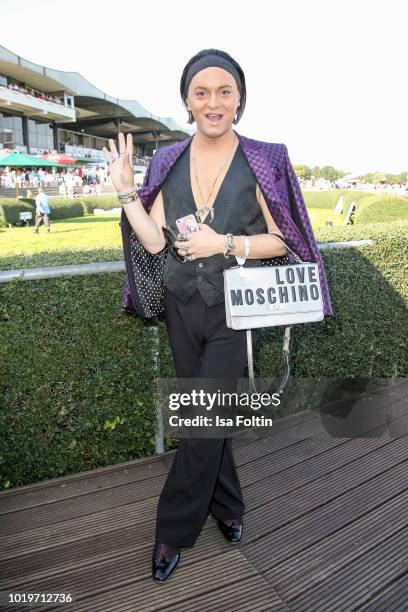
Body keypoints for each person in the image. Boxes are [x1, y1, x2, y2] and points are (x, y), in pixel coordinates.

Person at [103, 48, 333, 583]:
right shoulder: (167, 161)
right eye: (201, 92)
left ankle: (172, 529)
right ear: (187, 100)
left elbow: (282, 239)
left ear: (239, 98)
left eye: (224, 91)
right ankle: (228, 504)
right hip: (183, 308)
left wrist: (224, 242)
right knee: (212, 413)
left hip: (236, 310)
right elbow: (155, 239)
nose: (213, 101)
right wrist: (125, 194)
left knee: (203, 419)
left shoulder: (264, 158)